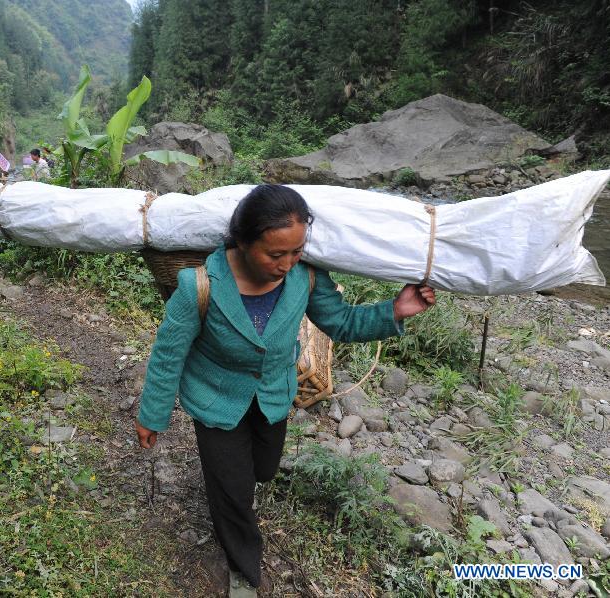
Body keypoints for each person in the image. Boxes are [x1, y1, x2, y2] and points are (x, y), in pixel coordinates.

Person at [134, 184, 436, 597]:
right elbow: (168, 355)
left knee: (264, 469)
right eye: (275, 254)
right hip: (214, 397)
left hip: (273, 395)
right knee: (233, 490)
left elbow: (343, 323)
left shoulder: (305, 278)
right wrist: (152, 415)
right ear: (242, 241)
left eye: (295, 252)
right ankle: (245, 567)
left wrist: (395, 310)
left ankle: (242, 488)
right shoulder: (198, 287)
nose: (286, 264)